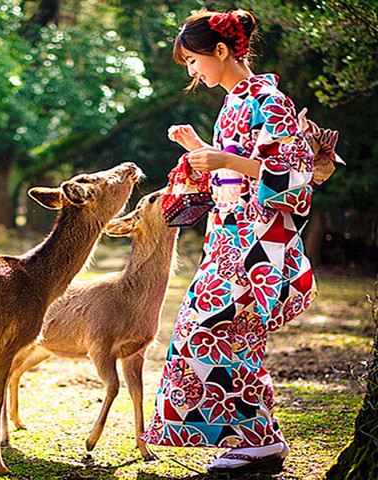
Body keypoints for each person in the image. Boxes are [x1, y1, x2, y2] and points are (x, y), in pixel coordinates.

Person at [141, 9, 317, 475]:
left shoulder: (268, 100)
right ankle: (259, 440)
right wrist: (202, 150)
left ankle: (261, 442)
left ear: (221, 51)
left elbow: (296, 176)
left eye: (194, 60)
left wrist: (223, 159)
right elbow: (234, 174)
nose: (192, 71)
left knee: (220, 334)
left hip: (258, 247)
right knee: (211, 335)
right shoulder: (233, 103)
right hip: (229, 242)